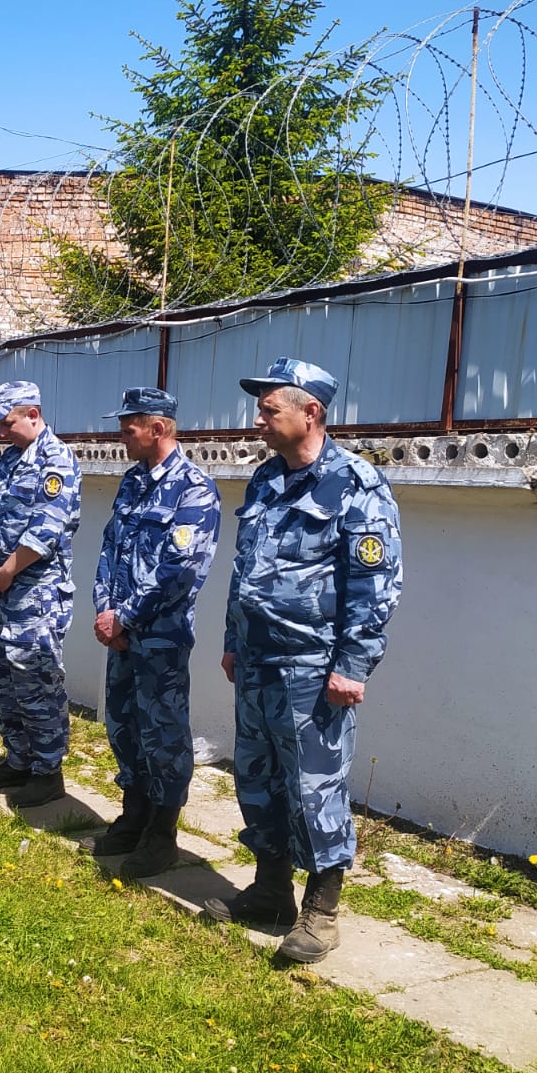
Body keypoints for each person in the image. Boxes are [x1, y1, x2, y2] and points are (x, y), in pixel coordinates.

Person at [203, 357, 402, 964]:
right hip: (259, 660)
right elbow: (245, 572)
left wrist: (354, 665)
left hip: (314, 666)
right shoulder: (267, 479)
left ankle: (322, 912)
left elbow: (376, 584)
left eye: (270, 410)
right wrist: (234, 639)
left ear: (310, 412)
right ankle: (269, 891)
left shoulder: (357, 484)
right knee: (258, 779)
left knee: (315, 787)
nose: (258, 421)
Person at [92, 387, 221, 878]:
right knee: (124, 725)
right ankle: (134, 815)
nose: (121, 436)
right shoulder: (132, 482)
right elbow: (109, 551)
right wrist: (105, 610)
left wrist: (124, 616)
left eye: (129, 429)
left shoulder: (194, 488)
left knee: (162, 733)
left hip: (160, 637)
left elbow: (181, 568)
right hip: (120, 632)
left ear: (157, 429)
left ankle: (161, 834)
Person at [0, 381, 81, 808]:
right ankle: (18, 759)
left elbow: (45, 532)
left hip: (37, 591)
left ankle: (47, 770)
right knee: (1, 677)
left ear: (33, 414)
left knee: (35, 678)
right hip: (3, 588)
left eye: (8, 421)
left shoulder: (56, 460)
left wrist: (5, 572)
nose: (1, 429)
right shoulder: (11, 459)